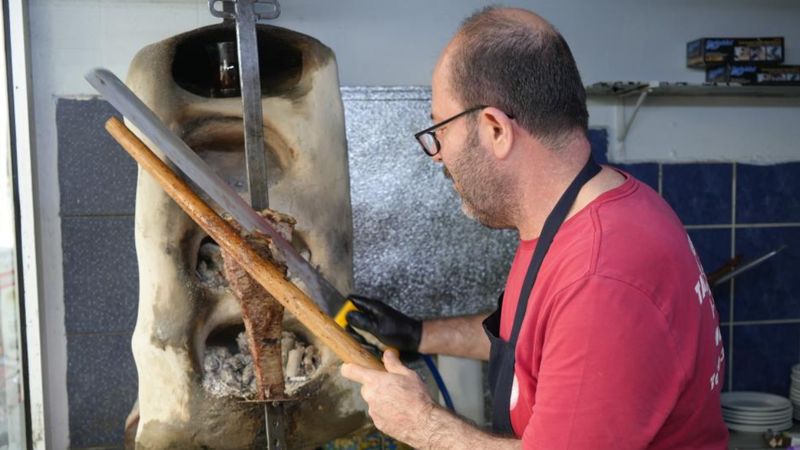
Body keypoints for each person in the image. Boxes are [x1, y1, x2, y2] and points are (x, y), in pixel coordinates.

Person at [340, 6, 728, 449]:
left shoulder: (602, 274)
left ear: (495, 130)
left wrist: (419, 422)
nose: (437, 156)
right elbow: (543, 347)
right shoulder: (595, 211)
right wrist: (418, 334)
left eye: (440, 131)